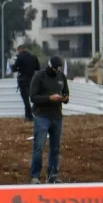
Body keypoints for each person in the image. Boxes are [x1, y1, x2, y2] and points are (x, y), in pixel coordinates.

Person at [29, 56, 70, 185]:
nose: (57, 71)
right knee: (39, 147)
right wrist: (49, 98)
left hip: (57, 117)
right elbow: (33, 97)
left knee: (55, 148)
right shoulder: (39, 76)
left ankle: (53, 176)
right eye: (55, 69)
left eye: (59, 69)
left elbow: (66, 93)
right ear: (49, 66)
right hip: (42, 116)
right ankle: (35, 176)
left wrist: (65, 98)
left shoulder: (61, 77)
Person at [12, 44, 41, 122]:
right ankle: (33, 115)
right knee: (33, 99)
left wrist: (18, 67)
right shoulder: (34, 57)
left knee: (26, 100)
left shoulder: (20, 57)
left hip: (23, 81)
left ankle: (29, 116)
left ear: (20, 49)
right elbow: (38, 68)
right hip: (32, 80)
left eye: (18, 51)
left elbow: (14, 68)